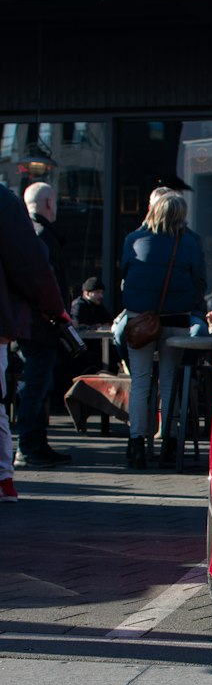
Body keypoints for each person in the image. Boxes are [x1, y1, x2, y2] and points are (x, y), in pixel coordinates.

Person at [120, 190, 207, 470]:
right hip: (176, 317)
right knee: (170, 381)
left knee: (141, 381)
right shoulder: (190, 243)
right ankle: (169, 442)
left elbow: (125, 272)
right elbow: (199, 280)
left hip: (139, 318)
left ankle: (136, 445)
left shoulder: (134, 239)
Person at [0, 185, 66, 489]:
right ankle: (14, 465)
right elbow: (34, 270)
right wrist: (55, 308)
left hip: (23, 323)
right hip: (30, 322)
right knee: (29, 388)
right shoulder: (9, 209)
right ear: (49, 203)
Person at [15, 181, 73, 469]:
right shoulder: (41, 236)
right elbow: (44, 281)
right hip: (41, 325)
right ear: (49, 203)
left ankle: (35, 444)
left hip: (32, 324)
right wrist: (58, 312)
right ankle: (29, 446)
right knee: (36, 386)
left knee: (38, 384)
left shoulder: (27, 233)